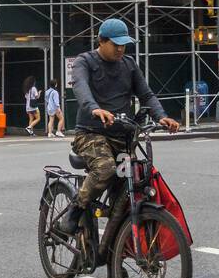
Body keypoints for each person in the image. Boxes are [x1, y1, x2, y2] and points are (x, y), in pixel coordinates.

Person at [55, 18, 180, 237]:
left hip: (123, 137)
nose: (120, 49)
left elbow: (146, 95)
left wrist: (161, 116)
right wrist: (94, 108)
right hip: (91, 134)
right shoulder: (84, 62)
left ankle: (116, 257)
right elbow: (81, 87)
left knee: (128, 193)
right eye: (116, 44)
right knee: (105, 169)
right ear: (101, 41)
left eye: (124, 44)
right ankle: (76, 208)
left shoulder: (129, 64)